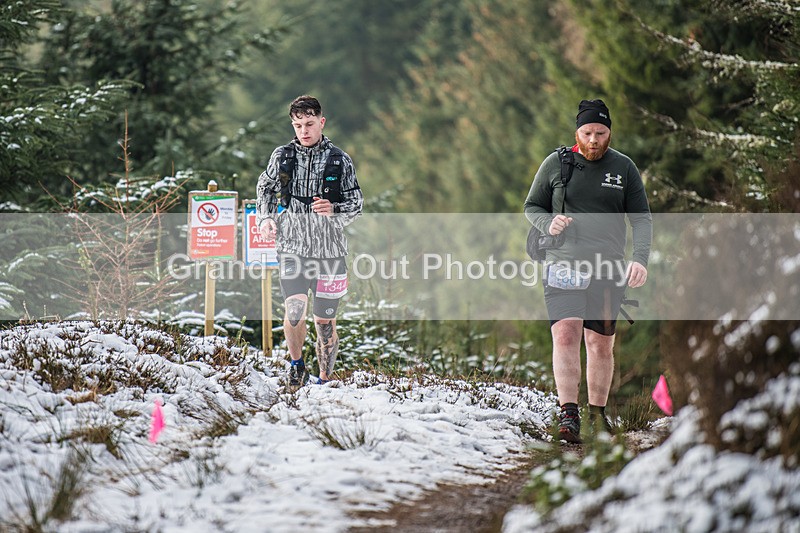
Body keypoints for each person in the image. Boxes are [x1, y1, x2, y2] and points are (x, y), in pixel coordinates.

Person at [523, 99, 652, 443]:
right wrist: (548, 222)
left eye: (600, 132)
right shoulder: (556, 164)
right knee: (565, 335)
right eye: (587, 132)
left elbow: (641, 218)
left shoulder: (623, 168)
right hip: (562, 266)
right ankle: (568, 415)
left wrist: (640, 259)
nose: (593, 139)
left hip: (608, 270)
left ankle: (598, 416)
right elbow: (531, 205)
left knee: (599, 344)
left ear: (609, 132)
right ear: (576, 132)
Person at [256, 95, 363, 386]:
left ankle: (326, 377)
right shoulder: (282, 156)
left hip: (330, 250)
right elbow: (265, 187)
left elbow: (356, 202)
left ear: (321, 122)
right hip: (292, 245)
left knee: (324, 321)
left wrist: (334, 209)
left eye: (310, 124)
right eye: (298, 124)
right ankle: (296, 366)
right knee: (294, 310)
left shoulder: (340, 160)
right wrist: (265, 218)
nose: (304, 130)